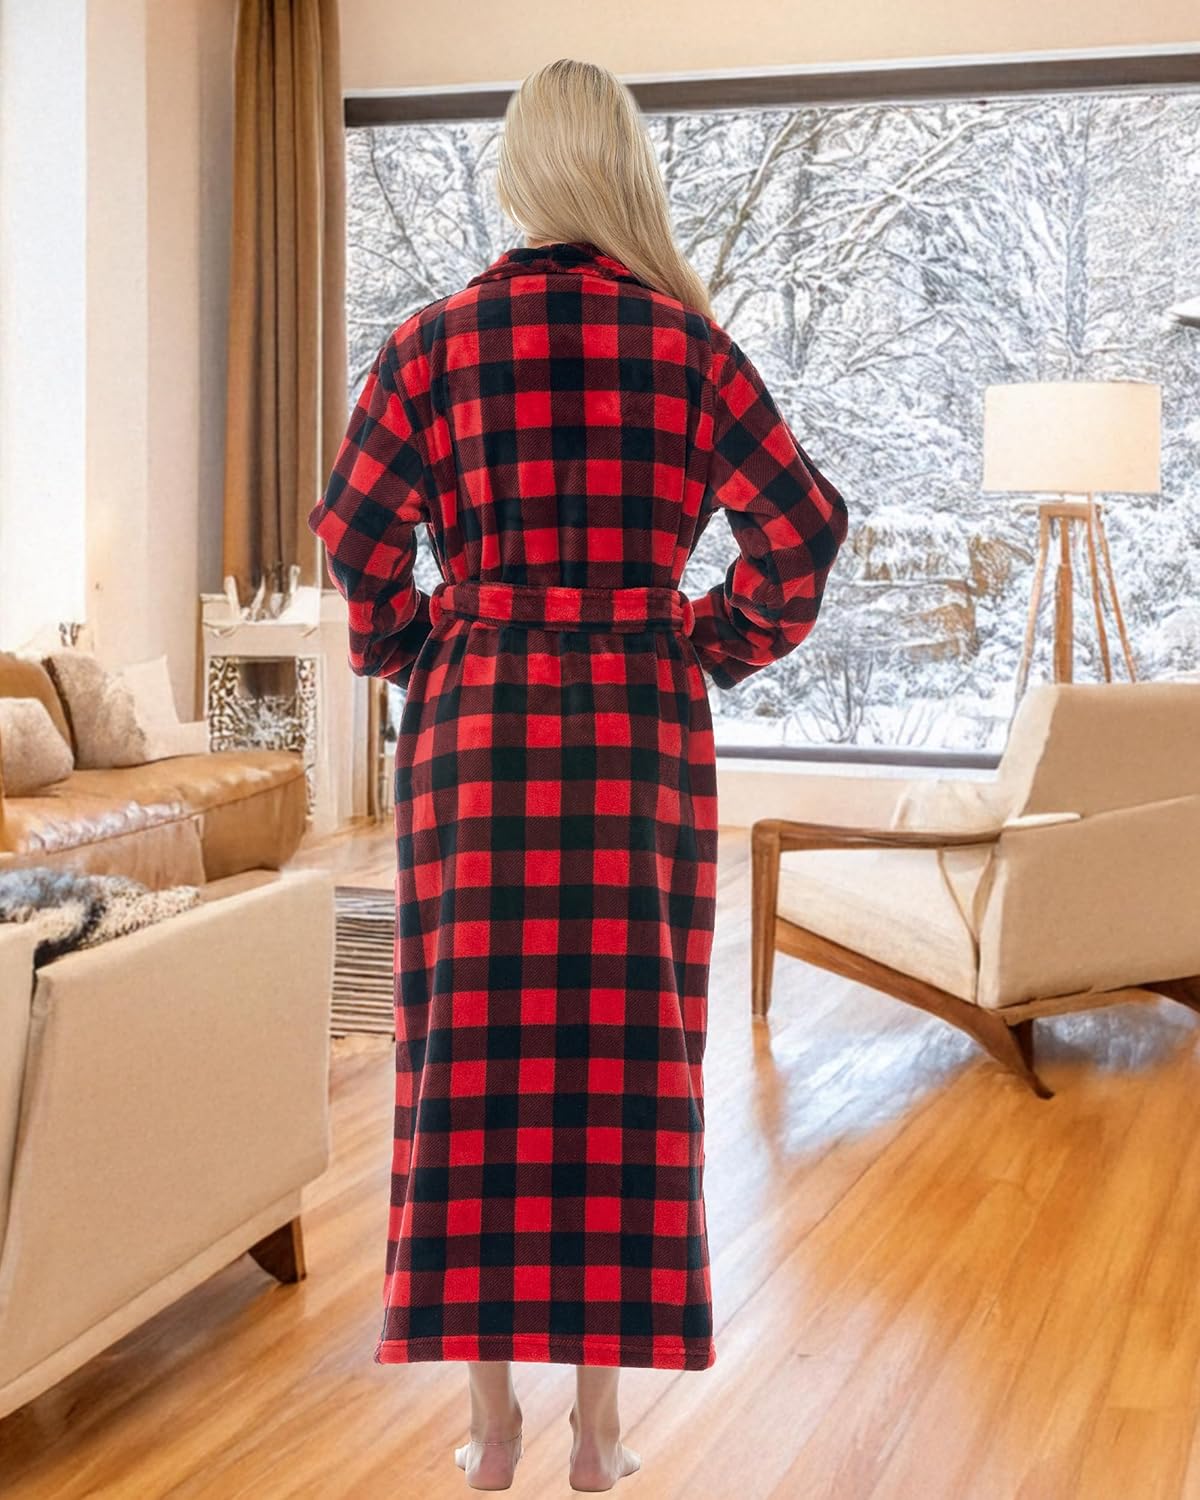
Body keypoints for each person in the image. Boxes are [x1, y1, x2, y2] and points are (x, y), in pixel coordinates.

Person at [308, 56, 849, 1495]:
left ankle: (490, 1421)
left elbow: (354, 536)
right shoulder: (691, 348)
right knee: (629, 1060)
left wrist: (416, 646)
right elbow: (801, 534)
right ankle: (599, 1431)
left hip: (477, 733)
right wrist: (709, 641)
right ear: (622, 171)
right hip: (638, 732)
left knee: (468, 1059)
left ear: (518, 169)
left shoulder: (429, 346)